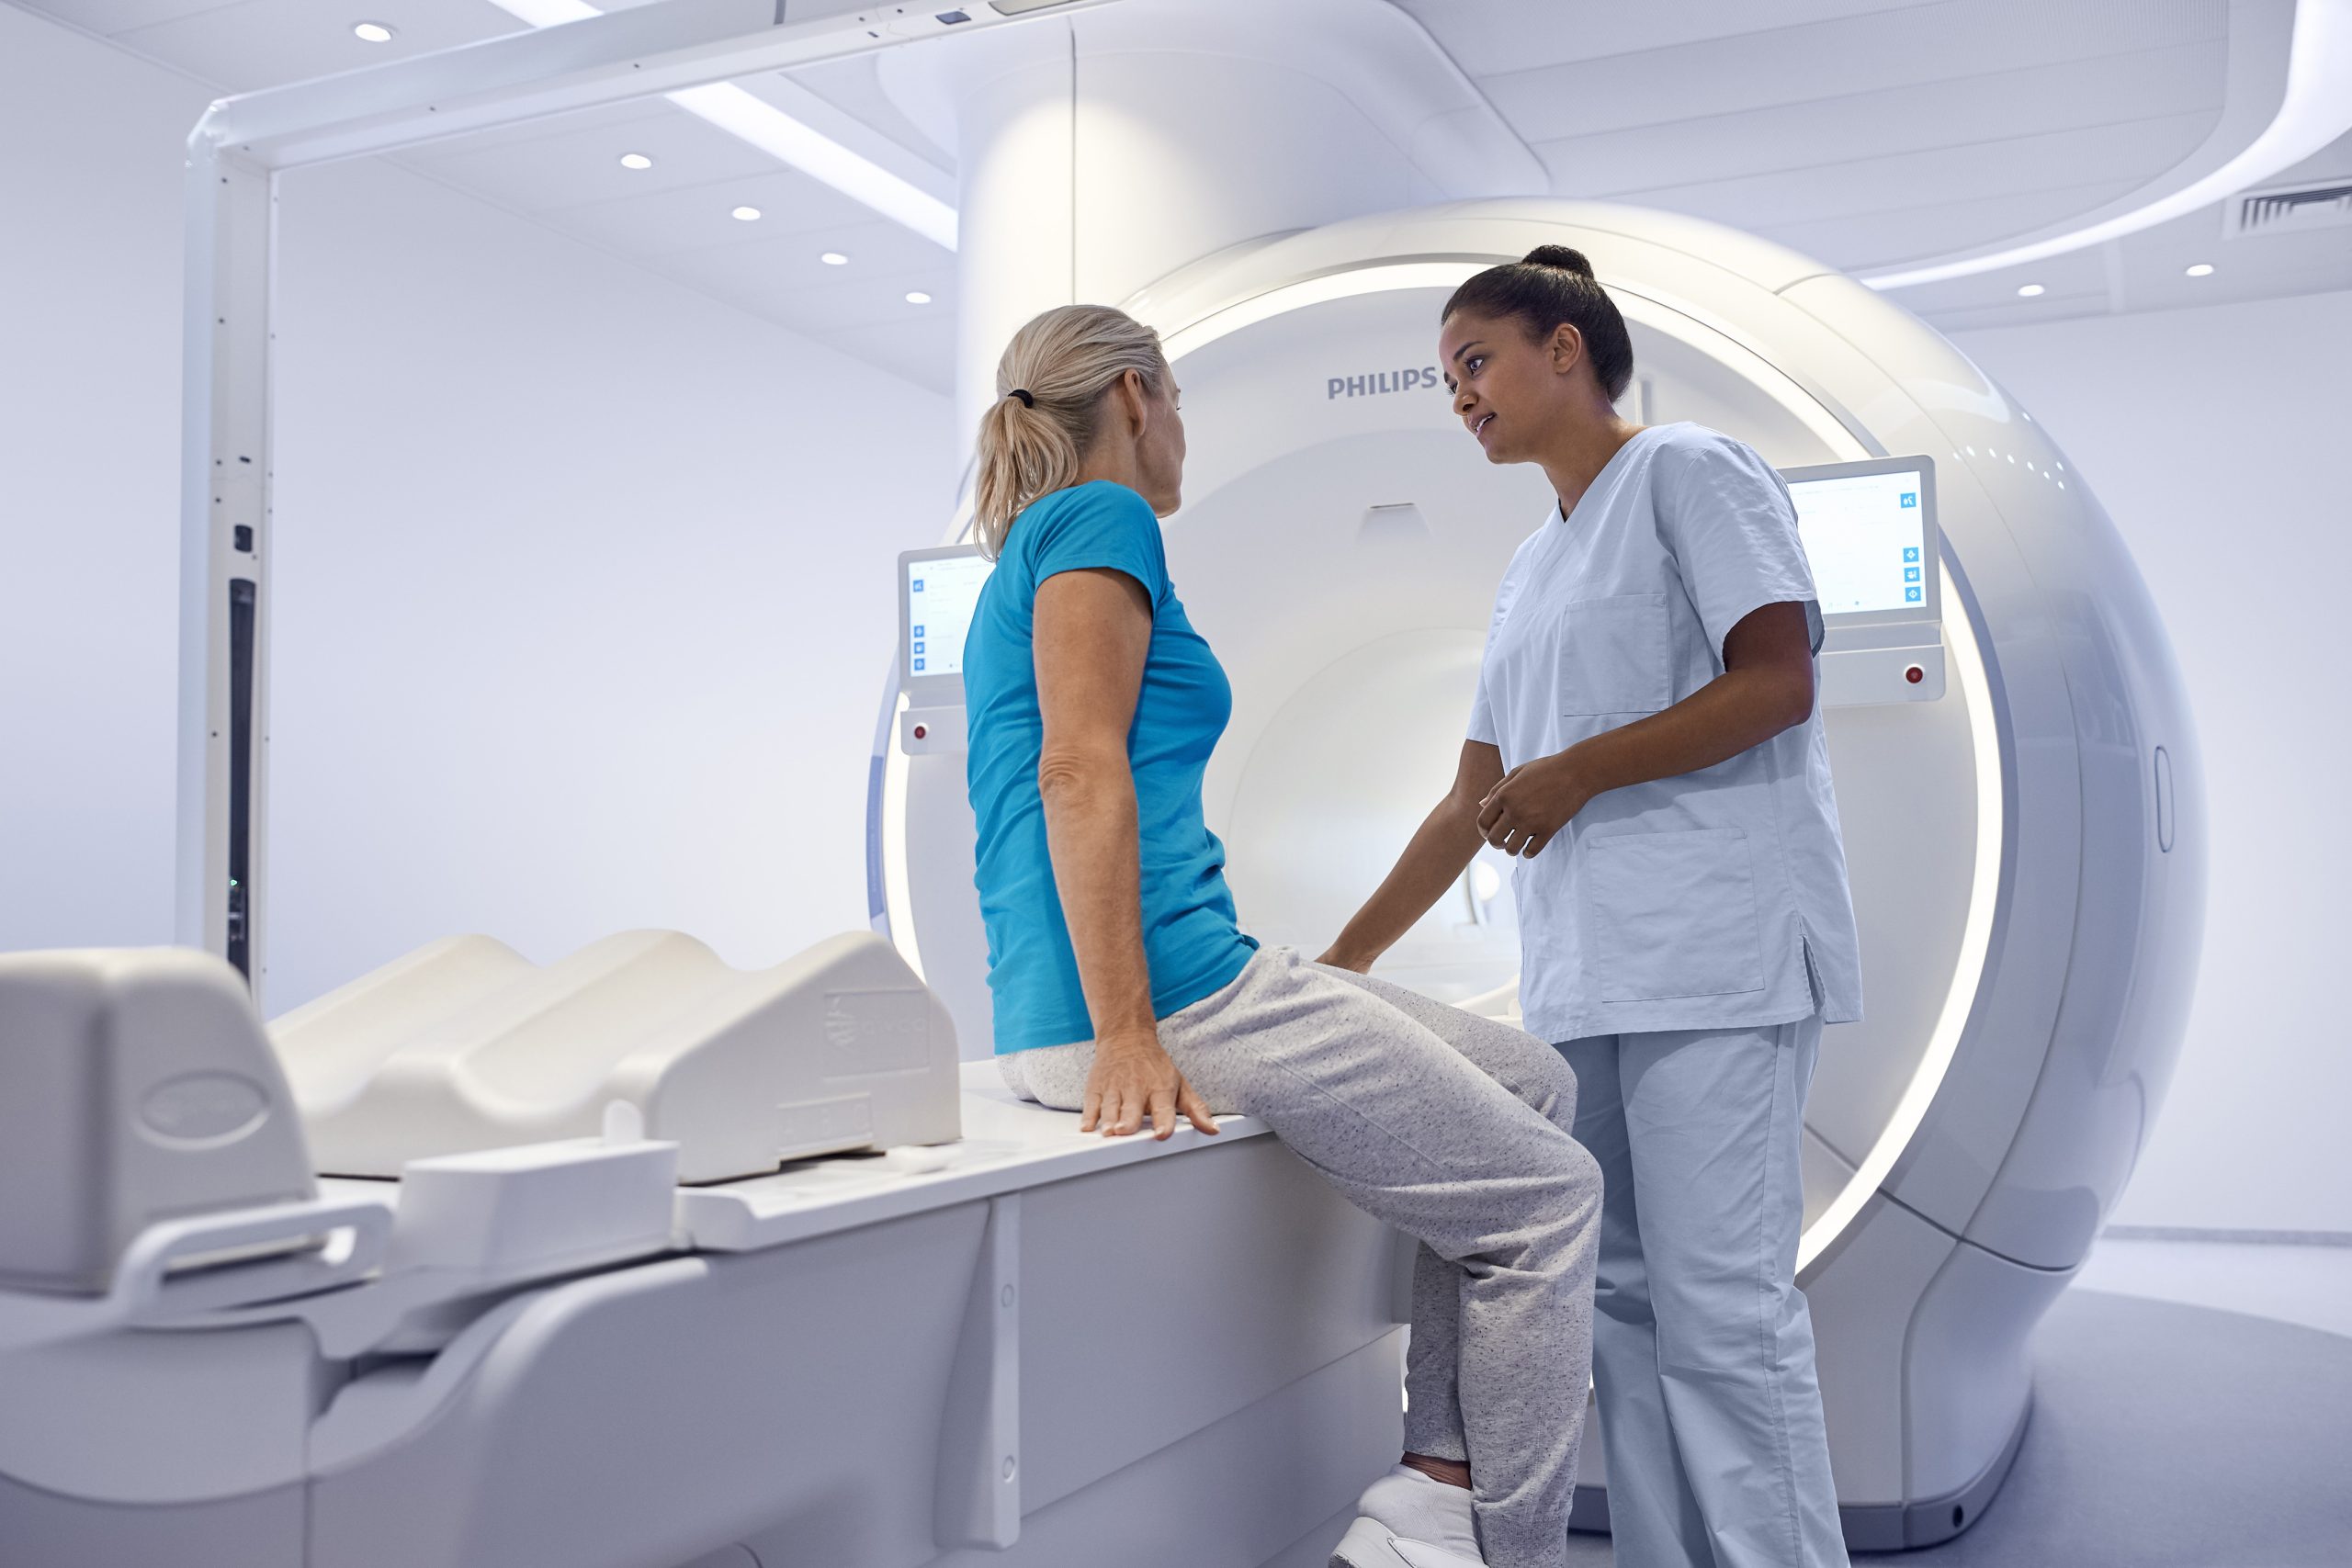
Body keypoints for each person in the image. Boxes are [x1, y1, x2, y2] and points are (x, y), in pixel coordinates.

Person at [962, 303, 1603, 1568]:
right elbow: (1078, 769)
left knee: (1533, 1080)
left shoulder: (1035, 544)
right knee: (1551, 1200)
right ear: (1136, 395)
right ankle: (1514, 1553)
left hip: (1141, 982)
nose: (1182, 429)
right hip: (1168, 993)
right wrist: (1128, 1033)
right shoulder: (1101, 517)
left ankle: (1436, 1491)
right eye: (1179, 400)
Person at [1320, 246, 1864, 1568]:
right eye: (1448, 378)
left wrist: (1580, 771)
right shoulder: (1530, 565)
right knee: (1614, 1305)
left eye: (1476, 361)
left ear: (1565, 349)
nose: (1461, 394)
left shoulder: (1690, 471)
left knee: (1723, 1313)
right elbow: (1473, 799)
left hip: (1717, 957)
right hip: (1584, 975)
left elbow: (1777, 681)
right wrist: (1339, 965)